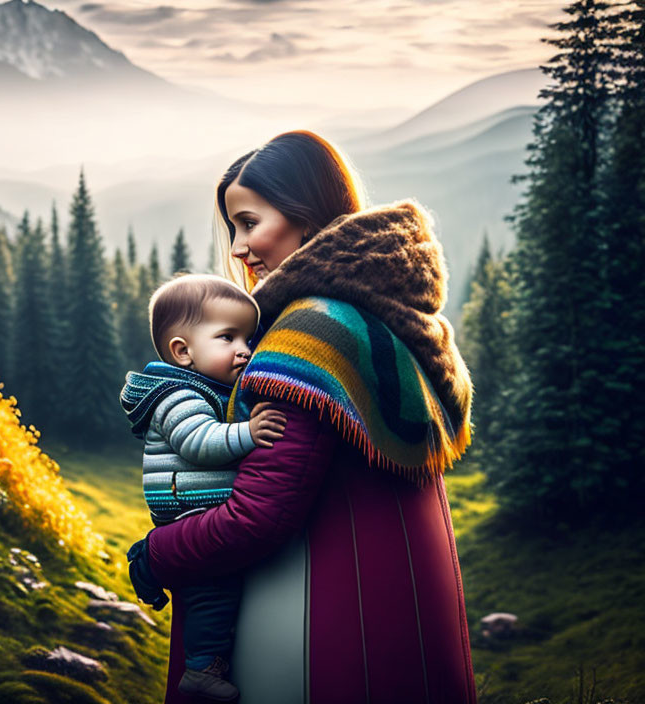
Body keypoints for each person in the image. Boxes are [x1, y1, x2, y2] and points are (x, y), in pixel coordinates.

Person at [126, 130, 477, 704]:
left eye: (248, 222)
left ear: (306, 216)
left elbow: (259, 514)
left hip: (315, 626)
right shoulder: (396, 320)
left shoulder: (307, 337)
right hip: (401, 613)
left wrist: (156, 555)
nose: (238, 249)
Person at [120, 274, 287, 702]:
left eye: (248, 338)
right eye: (227, 337)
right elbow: (200, 442)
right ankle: (201, 669)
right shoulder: (178, 397)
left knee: (214, 587)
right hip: (187, 510)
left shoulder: (202, 388)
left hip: (199, 505)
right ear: (183, 351)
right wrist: (249, 433)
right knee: (213, 590)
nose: (244, 350)